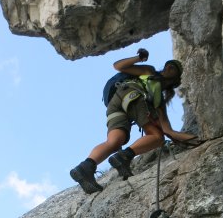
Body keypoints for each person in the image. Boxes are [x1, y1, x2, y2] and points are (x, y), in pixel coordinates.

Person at [69, 49, 199, 194]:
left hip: (116, 102)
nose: (168, 66)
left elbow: (169, 131)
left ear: (176, 80)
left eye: (173, 67)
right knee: (157, 137)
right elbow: (118, 66)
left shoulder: (159, 101)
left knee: (115, 141)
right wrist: (138, 58)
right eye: (168, 64)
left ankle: (85, 167)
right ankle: (123, 157)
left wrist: (197, 140)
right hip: (132, 94)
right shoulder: (150, 72)